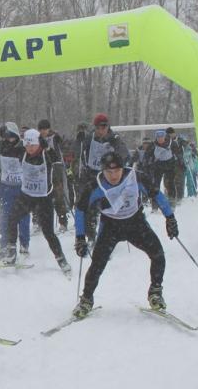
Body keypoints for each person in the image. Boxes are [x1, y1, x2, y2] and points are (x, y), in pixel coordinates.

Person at [72, 151, 178, 317]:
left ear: (123, 169)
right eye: (109, 172)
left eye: (117, 171)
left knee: (158, 254)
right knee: (97, 264)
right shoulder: (96, 185)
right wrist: (80, 237)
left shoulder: (135, 178)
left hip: (135, 223)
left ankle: (155, 293)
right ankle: (86, 300)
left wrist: (170, 218)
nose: (113, 176)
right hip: (110, 226)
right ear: (103, 171)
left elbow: (157, 194)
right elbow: (80, 209)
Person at [2, 129, 71, 273]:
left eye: (33, 145)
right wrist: (7, 139)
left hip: (43, 198)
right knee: (12, 218)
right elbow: (6, 150)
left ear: (39, 143)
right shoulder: (22, 152)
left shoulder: (47, 154)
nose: (30, 148)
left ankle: (61, 259)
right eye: (27, 145)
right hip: (26, 196)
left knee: (48, 232)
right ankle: (11, 250)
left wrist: (50, 145)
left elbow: (58, 156)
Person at [74, 113, 130, 243]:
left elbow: (124, 154)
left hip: (107, 177)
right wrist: (78, 140)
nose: (101, 131)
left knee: (108, 208)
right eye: (98, 128)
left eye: (103, 127)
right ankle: (91, 236)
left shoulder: (114, 138)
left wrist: (118, 158)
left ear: (107, 126)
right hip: (91, 175)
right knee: (89, 207)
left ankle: (107, 237)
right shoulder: (89, 137)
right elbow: (76, 151)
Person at [0, 123, 30, 258]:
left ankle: (24, 243)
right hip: (5, 186)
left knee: (23, 216)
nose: (7, 139)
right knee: (5, 215)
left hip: (22, 187)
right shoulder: (0, 147)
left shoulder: (23, 148)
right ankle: (4, 244)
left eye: (10, 137)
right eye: (5, 137)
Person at [37, 119, 70, 231]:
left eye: (45, 129)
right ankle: (41, 222)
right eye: (41, 130)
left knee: (58, 195)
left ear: (49, 129)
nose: (43, 132)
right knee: (43, 196)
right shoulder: (38, 139)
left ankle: (63, 221)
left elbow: (64, 148)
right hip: (43, 169)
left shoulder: (55, 137)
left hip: (56, 167)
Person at [145, 129, 182, 206]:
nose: (160, 140)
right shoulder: (153, 145)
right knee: (156, 184)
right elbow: (147, 155)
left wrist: (180, 161)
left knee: (170, 183)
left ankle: (172, 201)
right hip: (158, 165)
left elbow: (178, 153)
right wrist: (147, 164)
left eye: (161, 138)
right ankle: (155, 204)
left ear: (164, 137)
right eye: (158, 138)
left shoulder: (172, 143)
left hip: (170, 164)